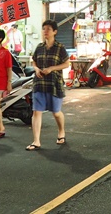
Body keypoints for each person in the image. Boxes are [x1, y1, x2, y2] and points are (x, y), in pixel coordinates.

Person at [27, 20, 70, 151]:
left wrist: (52, 68)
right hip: (39, 83)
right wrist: (36, 69)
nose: (45, 31)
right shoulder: (39, 47)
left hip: (54, 84)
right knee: (36, 112)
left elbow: (67, 64)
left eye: (48, 29)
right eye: (44, 28)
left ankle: (61, 131)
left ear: (55, 32)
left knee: (56, 113)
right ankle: (36, 141)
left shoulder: (60, 47)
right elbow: (34, 61)